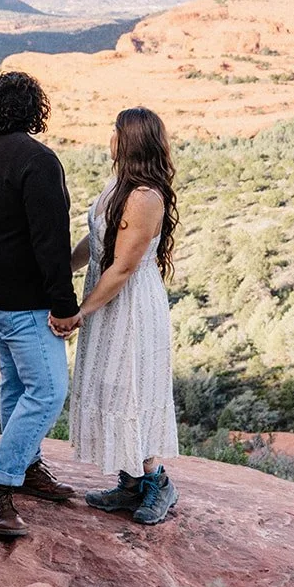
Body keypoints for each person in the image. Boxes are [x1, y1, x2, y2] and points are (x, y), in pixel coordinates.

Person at [0, 71, 80, 539]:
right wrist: (64, 305)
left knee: (17, 385)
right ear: (36, 109)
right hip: (23, 301)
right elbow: (50, 242)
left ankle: (27, 466)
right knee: (50, 389)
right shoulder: (38, 159)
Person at [63, 106, 181, 525]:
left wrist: (81, 311)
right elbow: (95, 243)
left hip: (129, 306)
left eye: (114, 132)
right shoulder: (117, 186)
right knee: (110, 385)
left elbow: (124, 267)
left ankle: (158, 483)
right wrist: (63, 267)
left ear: (127, 141)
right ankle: (130, 483)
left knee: (132, 387)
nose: (109, 138)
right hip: (107, 296)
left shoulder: (146, 197)